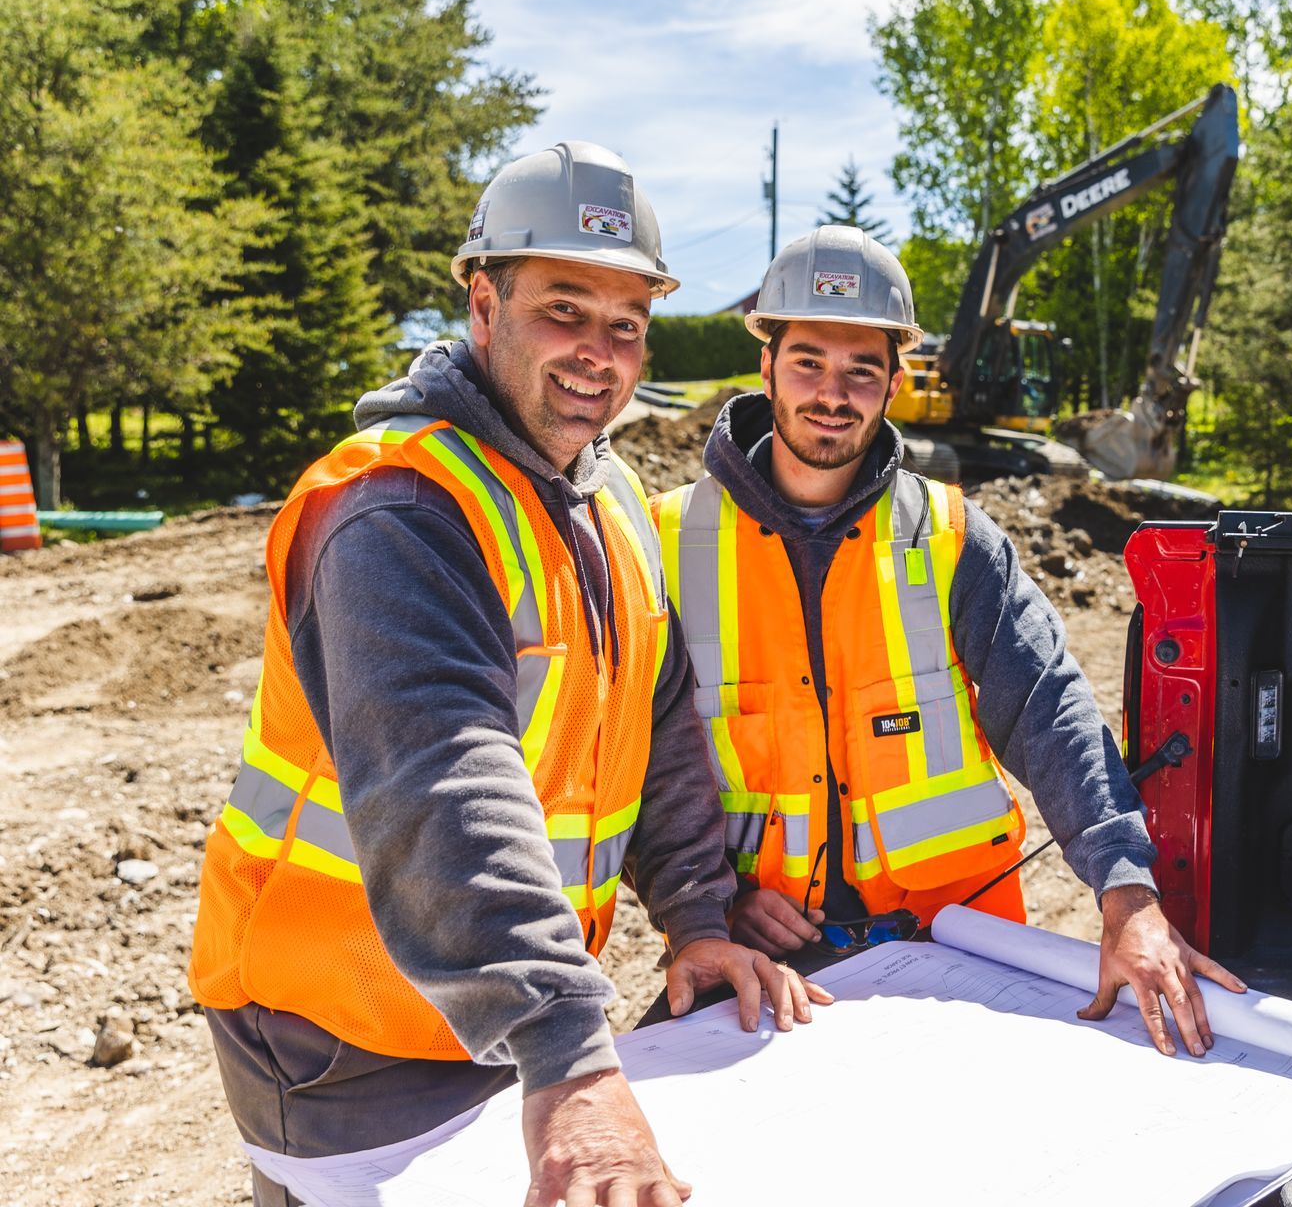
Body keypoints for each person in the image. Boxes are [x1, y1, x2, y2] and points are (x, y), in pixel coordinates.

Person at [188, 141, 826, 1207]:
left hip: (489, 1004)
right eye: (564, 310)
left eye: (627, 325)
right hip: (346, 1038)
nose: (600, 353)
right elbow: (444, 779)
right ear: (483, 303)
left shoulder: (606, 497)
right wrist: (570, 1052)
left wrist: (696, 914)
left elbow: (655, 723)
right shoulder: (400, 511)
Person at [649, 226, 1245, 1057]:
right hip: (769, 955)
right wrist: (703, 907)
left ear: (896, 380)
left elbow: (1049, 707)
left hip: (957, 947)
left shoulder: (950, 534)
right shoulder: (669, 542)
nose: (833, 391)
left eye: (862, 368)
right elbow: (647, 758)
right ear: (766, 366)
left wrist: (1126, 891)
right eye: (809, 360)